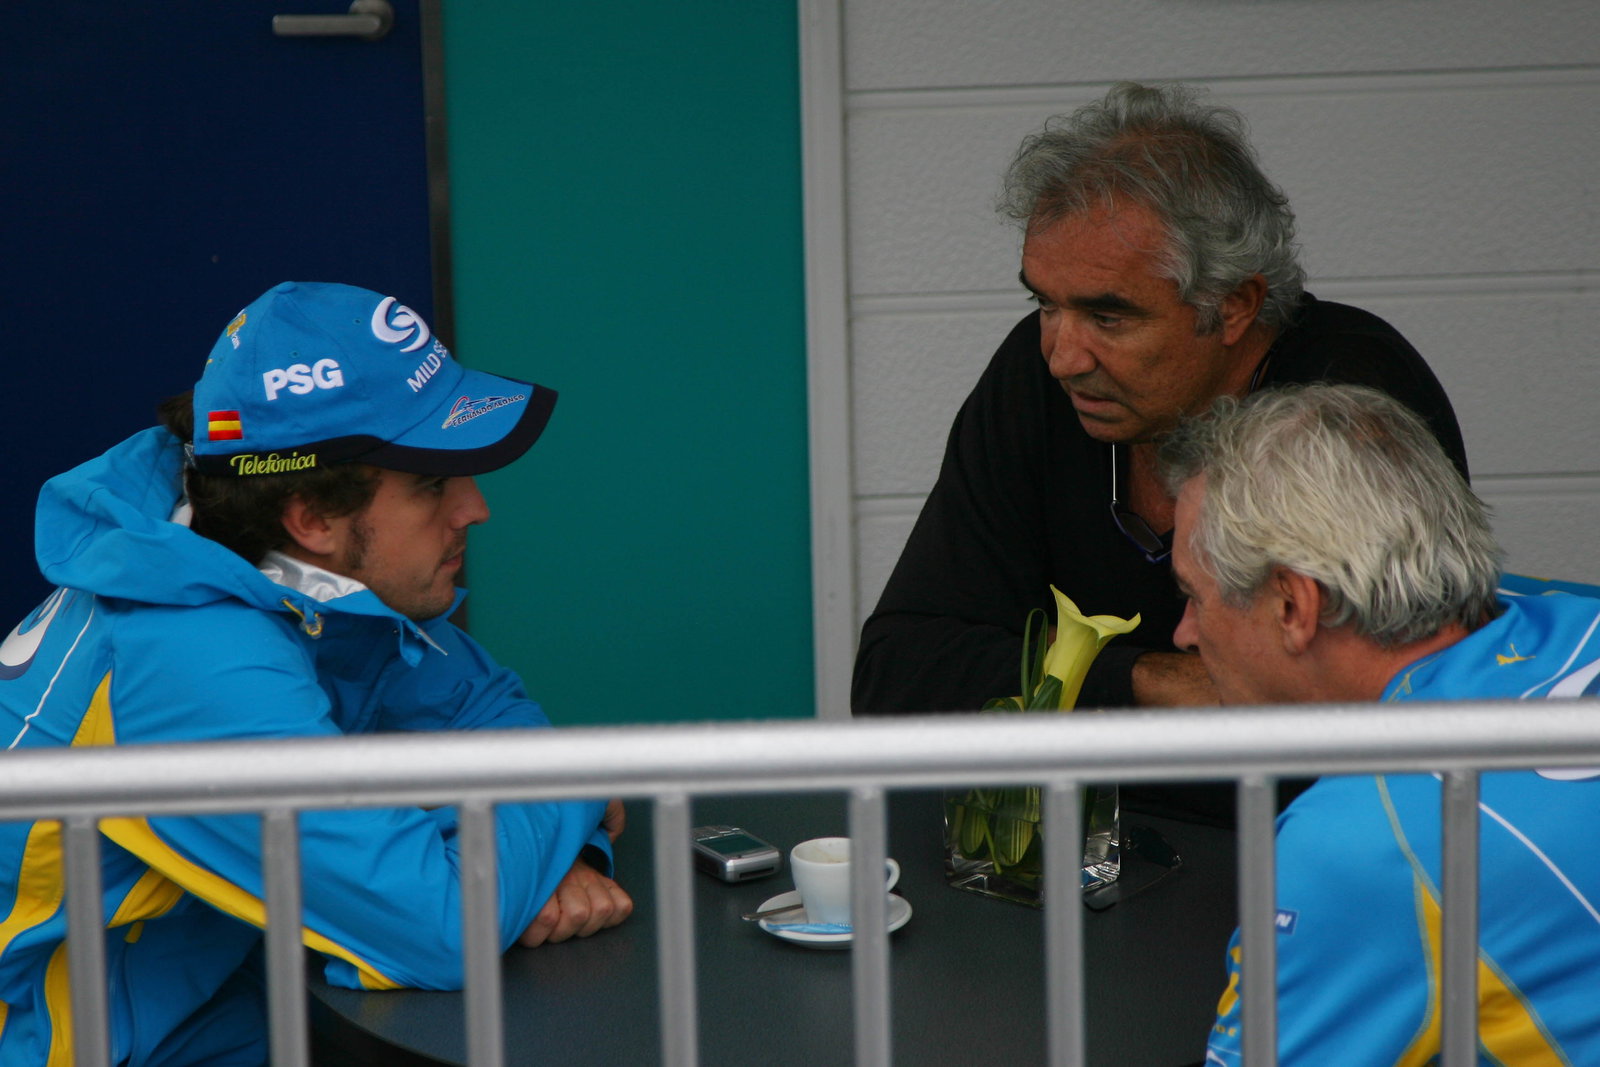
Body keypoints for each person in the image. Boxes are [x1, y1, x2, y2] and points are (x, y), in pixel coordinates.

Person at [0, 281, 633, 1065]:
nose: (474, 508)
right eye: (432, 484)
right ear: (313, 518)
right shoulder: (194, 660)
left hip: (222, 1011)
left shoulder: (263, 562)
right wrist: (573, 783)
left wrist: (552, 859)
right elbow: (442, 924)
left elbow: (490, 707)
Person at [851, 83, 1468, 788]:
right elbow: (897, 678)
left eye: (1109, 317)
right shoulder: (1039, 374)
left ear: (1234, 305)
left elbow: (1366, 725)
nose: (1062, 355)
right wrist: (1151, 680)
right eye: (1045, 303)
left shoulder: (1351, 402)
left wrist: (1055, 683)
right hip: (1076, 860)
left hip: (1287, 865)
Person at [1157, 383, 1600, 1065]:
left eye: (1193, 595)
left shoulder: (1370, 836)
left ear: (1292, 604)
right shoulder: (1576, 614)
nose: (1184, 632)